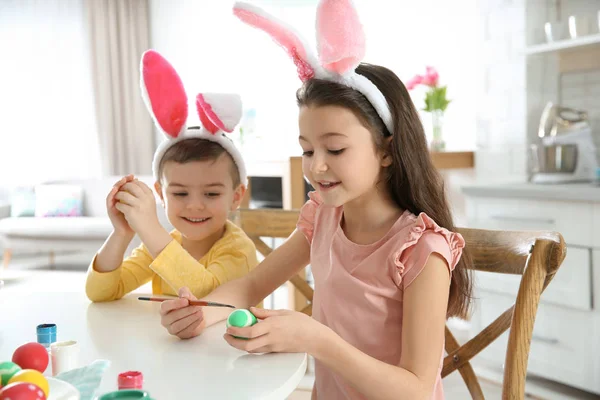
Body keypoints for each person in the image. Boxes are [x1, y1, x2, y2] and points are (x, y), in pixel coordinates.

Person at [159, 1, 472, 398]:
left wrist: (315, 338)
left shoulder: (422, 251)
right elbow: (254, 282)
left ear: (388, 151)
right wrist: (200, 312)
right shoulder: (323, 219)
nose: (317, 167)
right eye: (307, 151)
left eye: (336, 150)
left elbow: (414, 389)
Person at [85, 50, 258, 305]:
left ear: (236, 197)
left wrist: (151, 229)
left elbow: (209, 297)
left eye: (211, 193)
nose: (195, 205)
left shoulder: (237, 250)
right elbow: (100, 292)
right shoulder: (165, 244)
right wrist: (121, 233)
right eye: (179, 193)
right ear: (161, 195)